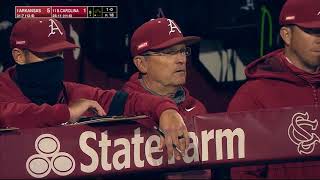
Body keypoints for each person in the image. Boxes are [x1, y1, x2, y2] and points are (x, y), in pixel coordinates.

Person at [0, 18, 190, 161]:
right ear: (19, 56)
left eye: (59, 53)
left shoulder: (69, 91)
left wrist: (166, 109)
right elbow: (9, 115)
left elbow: (126, 100)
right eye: (47, 54)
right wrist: (65, 113)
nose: (56, 61)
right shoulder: (3, 89)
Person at [228, 0, 320, 179]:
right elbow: (243, 173)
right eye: (310, 31)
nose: (319, 39)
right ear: (286, 35)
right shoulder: (253, 96)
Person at [123, 18, 208, 179]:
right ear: (141, 64)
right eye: (169, 52)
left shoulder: (197, 108)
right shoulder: (124, 112)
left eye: (183, 51)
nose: (181, 59)